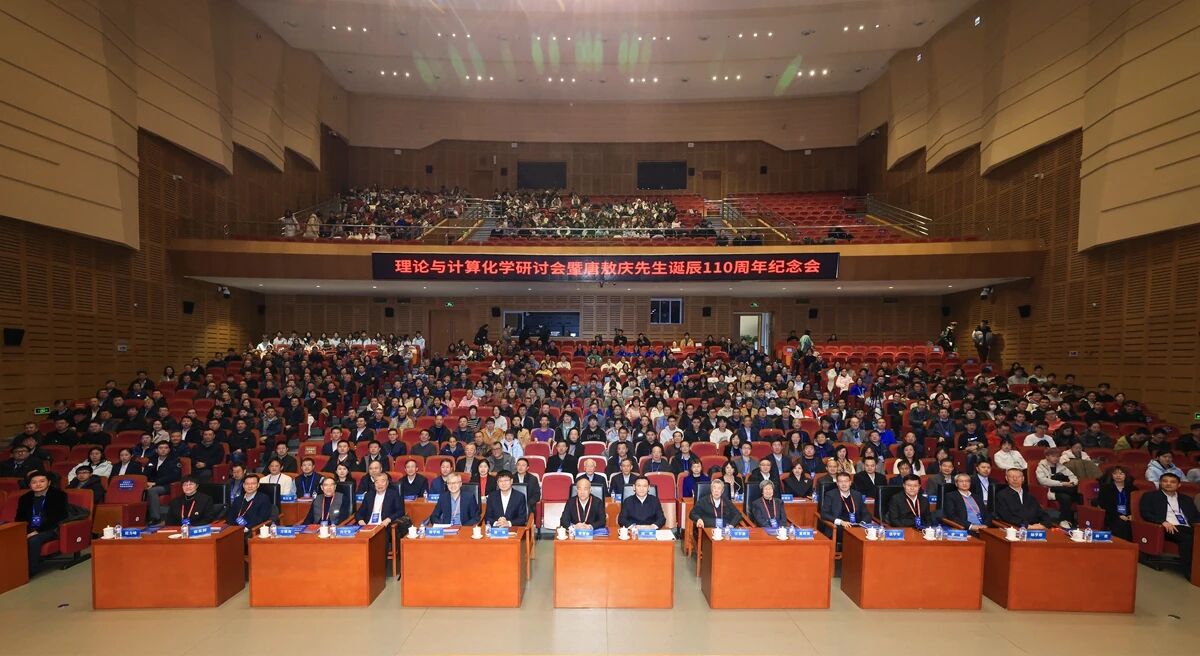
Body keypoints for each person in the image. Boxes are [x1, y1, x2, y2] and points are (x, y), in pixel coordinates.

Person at [1138, 472, 1198, 575]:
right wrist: (1162, 521)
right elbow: (1145, 513)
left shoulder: (1186, 499)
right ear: (1160, 483)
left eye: (1172, 482)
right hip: (1165, 527)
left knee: (1195, 536)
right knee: (1188, 538)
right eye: (1165, 481)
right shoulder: (1150, 496)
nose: (1168, 484)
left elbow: (1195, 516)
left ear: (1179, 485)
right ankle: (1190, 572)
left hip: (1187, 526)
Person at [16, 471, 69, 576]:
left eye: (42, 481)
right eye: (34, 482)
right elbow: (20, 517)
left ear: (49, 482)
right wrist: (24, 531)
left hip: (51, 528)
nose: (38, 484)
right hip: (30, 528)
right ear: (29, 485)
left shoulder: (58, 495)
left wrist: (37, 531)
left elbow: (57, 517)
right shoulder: (24, 498)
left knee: (33, 540)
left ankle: (30, 571)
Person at [1034, 449, 1079, 527]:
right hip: (1051, 489)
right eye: (1053, 456)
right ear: (1047, 457)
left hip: (1064, 488)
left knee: (1079, 496)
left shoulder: (1061, 466)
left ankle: (1076, 520)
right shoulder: (1041, 467)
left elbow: (1073, 477)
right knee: (1066, 497)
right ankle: (1063, 520)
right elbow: (1043, 481)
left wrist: (1072, 483)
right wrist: (1061, 483)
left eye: (1058, 456)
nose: (1056, 458)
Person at [818, 472, 865, 545]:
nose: (844, 484)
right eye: (841, 482)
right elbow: (824, 514)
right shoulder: (830, 495)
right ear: (837, 483)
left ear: (850, 483)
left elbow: (866, 513)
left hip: (857, 526)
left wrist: (863, 523)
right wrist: (841, 522)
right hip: (839, 527)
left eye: (846, 481)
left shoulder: (857, 495)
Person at [145, 441, 182, 524]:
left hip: (168, 485)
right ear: (156, 450)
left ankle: (156, 518)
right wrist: (146, 482)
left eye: (166, 448)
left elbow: (174, 476)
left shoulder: (174, 460)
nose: (163, 450)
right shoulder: (152, 460)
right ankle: (141, 517)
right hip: (152, 484)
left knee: (152, 491)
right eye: (161, 448)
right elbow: (146, 474)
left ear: (169, 450)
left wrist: (155, 483)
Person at [1094, 466, 1134, 541]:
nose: (1118, 476)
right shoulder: (1105, 488)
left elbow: (1135, 505)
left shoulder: (1132, 489)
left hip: (1129, 515)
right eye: (1115, 473)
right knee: (1121, 524)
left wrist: (1131, 515)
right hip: (1112, 515)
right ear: (1112, 475)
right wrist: (1119, 515)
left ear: (1126, 475)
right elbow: (1105, 505)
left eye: (1121, 474)